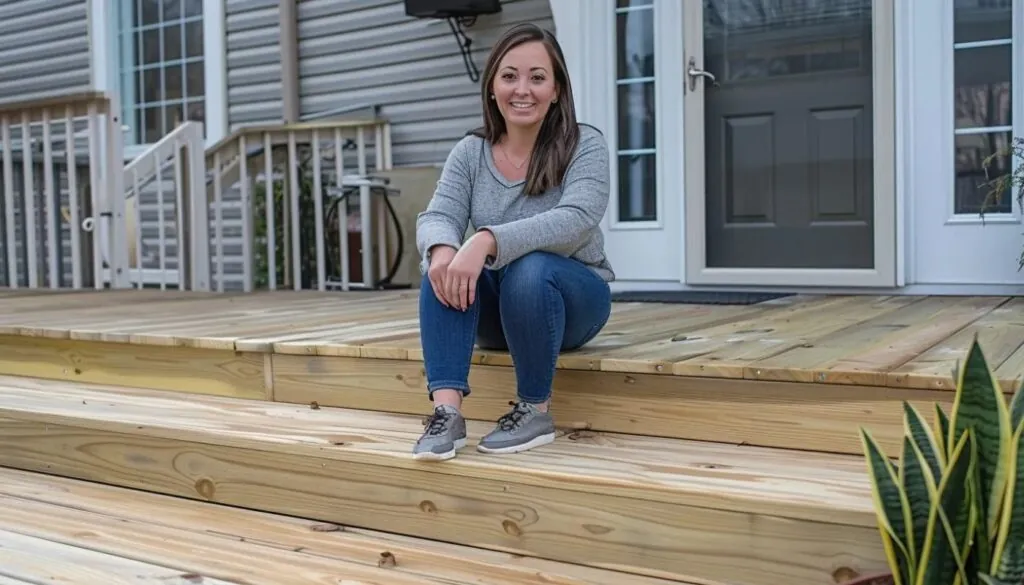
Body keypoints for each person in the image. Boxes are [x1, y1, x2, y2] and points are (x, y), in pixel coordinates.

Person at [412, 22, 614, 461]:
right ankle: (447, 415)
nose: (523, 89)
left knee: (531, 266)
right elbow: (438, 215)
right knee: (441, 264)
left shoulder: (585, 145)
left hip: (573, 303)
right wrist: (444, 249)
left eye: (537, 77)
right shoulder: (470, 152)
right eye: (510, 76)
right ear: (492, 87)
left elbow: (575, 220)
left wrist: (485, 239)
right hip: (499, 316)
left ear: (557, 89)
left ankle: (534, 410)